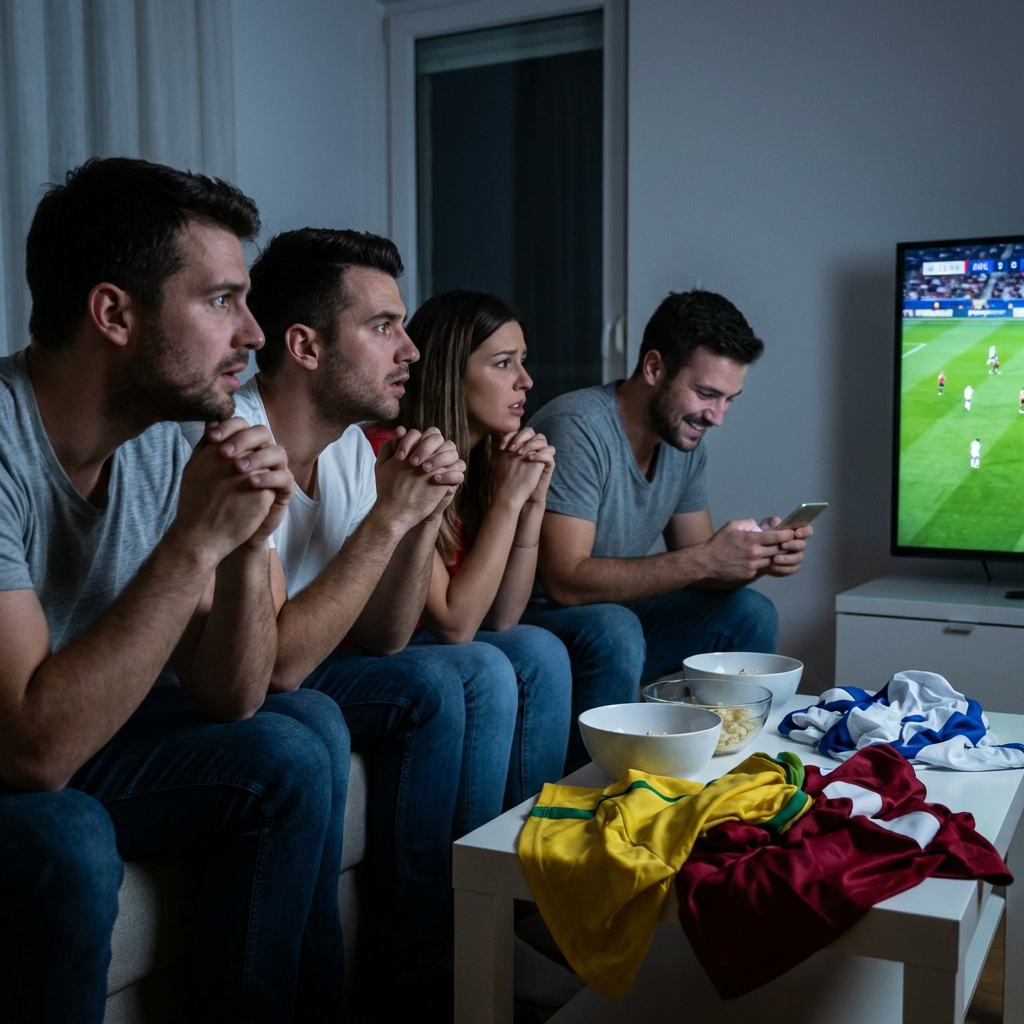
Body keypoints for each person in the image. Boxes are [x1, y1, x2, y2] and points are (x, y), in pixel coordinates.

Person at [0, 158, 350, 1024]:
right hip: (16, 753)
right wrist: (196, 541)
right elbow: (32, 755)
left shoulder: (171, 432)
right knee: (68, 840)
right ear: (114, 312)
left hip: (74, 735)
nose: (257, 333)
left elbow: (232, 698)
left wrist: (245, 541)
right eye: (223, 300)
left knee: (296, 742)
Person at [236, 229, 525, 1023]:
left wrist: (414, 514)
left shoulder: (350, 453)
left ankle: (439, 950)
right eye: (383, 327)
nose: (410, 350)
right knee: (311, 722)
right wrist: (387, 522)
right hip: (247, 673)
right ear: (303, 344)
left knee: (474, 670)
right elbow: (279, 668)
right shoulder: (234, 437)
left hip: (314, 654)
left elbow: (391, 636)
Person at [526, 290, 814, 769]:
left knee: (749, 613)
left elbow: (699, 566)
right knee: (613, 627)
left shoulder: (683, 440)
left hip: (617, 616)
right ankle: (595, 796)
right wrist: (707, 558)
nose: (717, 417)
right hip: (543, 622)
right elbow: (565, 583)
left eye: (729, 400)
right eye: (706, 394)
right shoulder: (577, 427)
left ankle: (721, 768)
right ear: (654, 368)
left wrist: (753, 556)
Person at [387, 289, 573, 796]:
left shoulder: (488, 457)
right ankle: (481, 860)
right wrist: (509, 502)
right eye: (503, 363)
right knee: (486, 663)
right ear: (451, 373)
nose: (526, 381)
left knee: (539, 644)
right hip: (378, 648)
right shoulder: (399, 454)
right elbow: (454, 625)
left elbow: (504, 616)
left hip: (438, 636)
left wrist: (531, 504)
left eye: (523, 362)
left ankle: (535, 834)